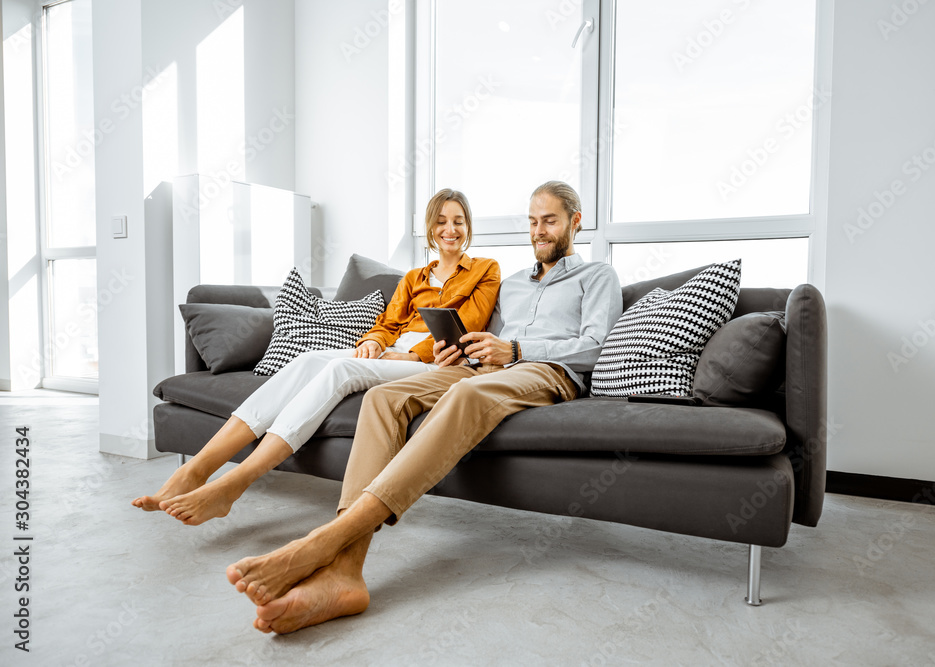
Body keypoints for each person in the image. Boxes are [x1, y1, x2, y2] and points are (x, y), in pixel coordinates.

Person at [224, 181, 623, 634]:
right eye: (533, 222)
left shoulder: (597, 276)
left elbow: (594, 348)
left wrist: (513, 350)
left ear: (575, 222)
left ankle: (325, 543)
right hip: (484, 369)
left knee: (465, 395)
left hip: (545, 371)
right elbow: (480, 343)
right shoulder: (511, 284)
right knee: (382, 398)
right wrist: (459, 352)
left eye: (549, 221)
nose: (539, 231)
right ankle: (346, 574)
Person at [132, 189, 501, 525]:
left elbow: (467, 325)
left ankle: (235, 483)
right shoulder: (413, 277)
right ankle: (194, 470)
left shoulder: (486, 270)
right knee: (308, 361)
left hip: (432, 362)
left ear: (467, 227)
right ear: (430, 228)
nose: (449, 229)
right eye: (440, 221)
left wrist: (412, 358)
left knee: (339, 369)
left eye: (458, 221)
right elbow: (388, 323)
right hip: (391, 353)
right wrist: (374, 341)